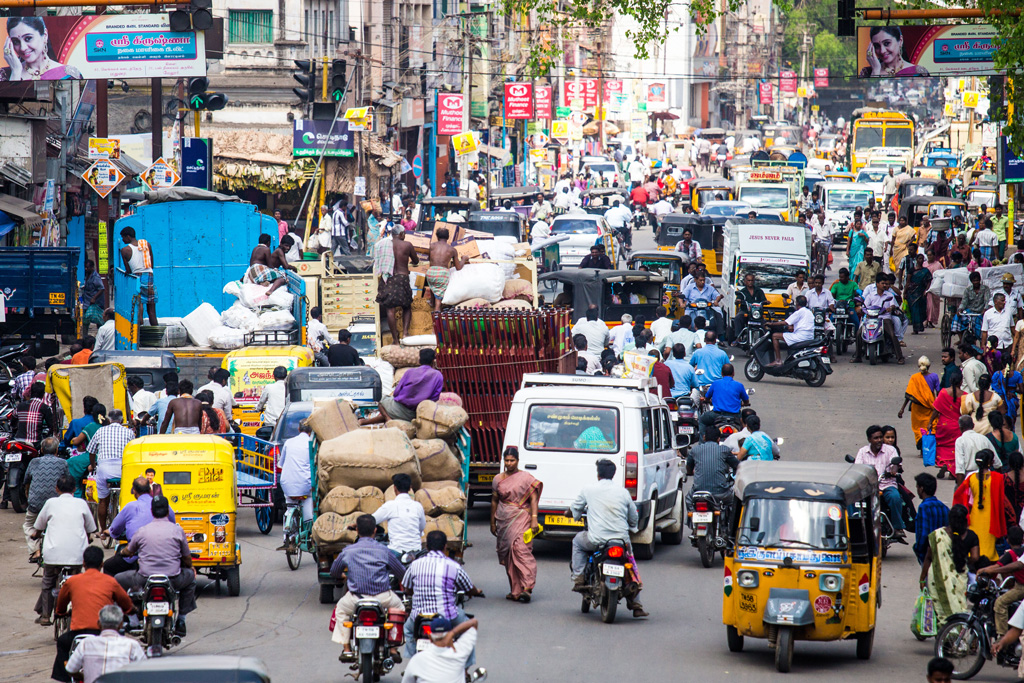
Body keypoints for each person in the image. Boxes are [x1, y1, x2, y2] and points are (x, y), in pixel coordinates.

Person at [569, 459, 647, 618]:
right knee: (630, 564)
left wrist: (571, 514)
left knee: (577, 541)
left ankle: (578, 577)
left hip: (596, 540)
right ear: (613, 474)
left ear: (598, 474)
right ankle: (636, 604)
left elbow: (575, 509)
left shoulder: (588, 489)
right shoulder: (623, 492)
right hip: (621, 541)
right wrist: (632, 526)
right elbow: (633, 518)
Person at [329, 514, 407, 661]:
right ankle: (394, 648)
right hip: (383, 597)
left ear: (357, 530)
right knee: (400, 608)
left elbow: (334, 571)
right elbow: (401, 572)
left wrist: (343, 576)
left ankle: (346, 649)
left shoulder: (348, 551)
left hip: (356, 599)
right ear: (375, 530)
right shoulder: (385, 551)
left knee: (340, 610)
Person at [115, 495, 196, 635]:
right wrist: (190, 567)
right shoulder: (177, 530)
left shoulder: (142, 531)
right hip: (173, 578)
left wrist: (123, 552)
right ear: (167, 512)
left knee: (117, 580)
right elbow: (187, 557)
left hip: (144, 578)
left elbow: (130, 550)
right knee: (191, 578)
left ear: (152, 511)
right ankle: (181, 620)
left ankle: (133, 620)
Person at [52, 546, 135, 682]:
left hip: (78, 634)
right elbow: (125, 603)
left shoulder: (72, 581)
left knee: (62, 643)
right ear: (102, 564)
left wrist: (60, 613)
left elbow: (61, 604)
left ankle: (64, 679)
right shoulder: (110, 581)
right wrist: (130, 610)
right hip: (103, 633)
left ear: (84, 564)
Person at [402, 530, 485, 662]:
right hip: (447, 616)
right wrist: (477, 592)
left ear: (427, 547)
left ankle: (413, 662)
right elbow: (469, 588)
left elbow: (407, 588)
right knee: (468, 631)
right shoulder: (453, 566)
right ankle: (465, 669)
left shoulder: (414, 565)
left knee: (407, 630)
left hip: (418, 617)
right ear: (445, 546)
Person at [31, 473, 96, 624]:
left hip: (53, 554)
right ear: (75, 488)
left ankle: (46, 616)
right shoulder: (81, 503)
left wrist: (36, 534)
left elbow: (39, 526)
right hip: (76, 555)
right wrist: (88, 536)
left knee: (48, 581)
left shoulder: (50, 503)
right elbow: (90, 528)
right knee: (76, 582)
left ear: (56, 489)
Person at [490, 446, 542, 603]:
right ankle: (516, 590)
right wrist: (492, 522)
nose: (509, 463)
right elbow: (494, 501)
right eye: (506, 460)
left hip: (522, 517)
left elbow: (533, 498)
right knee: (509, 555)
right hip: (504, 519)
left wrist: (534, 518)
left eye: (512, 460)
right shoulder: (498, 479)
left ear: (518, 461)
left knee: (521, 550)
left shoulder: (526, 477)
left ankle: (527, 587)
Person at [102, 476, 175, 577]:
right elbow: (173, 523)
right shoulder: (163, 506)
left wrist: (110, 532)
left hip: (136, 556)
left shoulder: (131, 507)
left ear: (134, 491)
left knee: (108, 566)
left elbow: (115, 529)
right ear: (150, 490)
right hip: (164, 556)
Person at [919, 505, 973, 631]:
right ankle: (957, 632)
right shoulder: (970, 536)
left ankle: (945, 634)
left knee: (941, 608)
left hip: (938, 579)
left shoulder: (938, 535)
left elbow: (928, 557)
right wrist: (964, 561)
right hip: (960, 579)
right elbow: (975, 557)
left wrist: (922, 579)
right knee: (958, 605)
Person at [64, 604, 145, 683]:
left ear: (99, 624)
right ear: (120, 624)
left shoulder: (85, 644)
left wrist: (83, 676)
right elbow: (145, 670)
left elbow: (70, 669)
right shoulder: (132, 645)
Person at [361, 348, 443, 425]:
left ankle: (388, 419)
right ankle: (365, 421)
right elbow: (435, 397)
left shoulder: (410, 372)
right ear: (433, 361)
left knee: (382, 400)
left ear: (419, 360)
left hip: (400, 409)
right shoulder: (438, 375)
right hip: (421, 413)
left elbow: (396, 392)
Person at [953, 449, 1007, 563]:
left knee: (975, 543)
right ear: (991, 463)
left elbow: (959, 495)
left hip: (975, 517)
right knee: (989, 550)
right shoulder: (998, 478)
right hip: (991, 518)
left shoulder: (971, 478)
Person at [856, 425, 906, 542]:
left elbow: (896, 463)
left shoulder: (890, 450)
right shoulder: (862, 452)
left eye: (880, 437)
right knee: (854, 501)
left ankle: (898, 527)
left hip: (887, 484)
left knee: (895, 497)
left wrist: (894, 470)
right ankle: (856, 526)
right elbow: (857, 468)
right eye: (875, 438)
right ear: (869, 440)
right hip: (868, 487)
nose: (879, 440)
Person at [977, 525, 1024, 640]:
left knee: (1000, 603)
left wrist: (983, 570)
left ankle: (1002, 637)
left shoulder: (1010, 554)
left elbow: (997, 567)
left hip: (1020, 588)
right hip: (1016, 585)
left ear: (1007, 540)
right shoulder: (1022, 551)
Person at [1, 17, 83, 80]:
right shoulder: (4, 75)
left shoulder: (69, 74)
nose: (23, 48)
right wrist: (16, 72)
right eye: (16, 41)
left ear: (45, 35)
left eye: (28, 38)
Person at [375, 224, 419, 339]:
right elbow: (416, 260)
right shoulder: (407, 245)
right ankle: (405, 333)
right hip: (402, 278)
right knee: (407, 306)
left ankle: (395, 339)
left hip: (388, 278)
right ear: (401, 234)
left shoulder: (384, 245)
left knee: (390, 309)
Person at [852, 274, 904, 364]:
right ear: (877, 284)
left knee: (892, 334)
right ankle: (858, 356)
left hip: (884, 318)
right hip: (871, 318)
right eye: (882, 283)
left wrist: (890, 308)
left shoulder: (889, 295)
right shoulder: (871, 295)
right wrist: (862, 309)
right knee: (859, 333)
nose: (884, 285)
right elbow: (865, 306)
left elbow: (893, 305)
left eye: (885, 283)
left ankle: (899, 357)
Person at [373, 471, 427, 557]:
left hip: (396, 552)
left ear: (394, 488)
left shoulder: (390, 506)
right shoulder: (418, 506)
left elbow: (372, 520)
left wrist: (355, 524)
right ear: (410, 488)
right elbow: (422, 527)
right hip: (416, 552)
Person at [686, 425, 739, 512]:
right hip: (721, 493)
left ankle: (691, 519)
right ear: (718, 439)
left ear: (704, 437)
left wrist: (689, 472)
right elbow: (736, 465)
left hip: (698, 492)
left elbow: (689, 467)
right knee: (734, 500)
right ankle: (731, 523)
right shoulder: (724, 450)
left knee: (688, 499)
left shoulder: (695, 450)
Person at [118, 226, 157, 327]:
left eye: (123, 237)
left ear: (128, 236)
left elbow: (129, 270)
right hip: (149, 277)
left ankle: (138, 338)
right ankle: (157, 337)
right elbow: (151, 265)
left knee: (138, 308)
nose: (122, 240)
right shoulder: (146, 244)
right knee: (152, 310)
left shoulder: (125, 250)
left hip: (137, 278)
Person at [697, 363, 749, 440]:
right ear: (733, 373)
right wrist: (743, 403)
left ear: (721, 373)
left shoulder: (715, 383)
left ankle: (702, 443)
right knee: (744, 426)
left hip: (717, 415)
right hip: (735, 416)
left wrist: (708, 400)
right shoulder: (739, 385)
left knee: (702, 420)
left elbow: (707, 397)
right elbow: (746, 401)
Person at [898, 356, 939, 450]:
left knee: (918, 429)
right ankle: (928, 448)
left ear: (918, 366)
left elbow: (909, 395)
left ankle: (921, 450)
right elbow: (938, 392)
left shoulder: (914, 377)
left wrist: (902, 409)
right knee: (930, 426)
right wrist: (939, 407)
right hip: (930, 407)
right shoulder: (934, 376)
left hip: (917, 409)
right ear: (929, 366)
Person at [426, 227, 468, 312]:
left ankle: (431, 302)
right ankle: (437, 308)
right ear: (448, 237)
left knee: (433, 285)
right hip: (442, 274)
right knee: (439, 291)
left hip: (430, 272)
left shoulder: (431, 246)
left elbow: (429, 258)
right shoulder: (452, 250)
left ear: (437, 236)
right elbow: (458, 267)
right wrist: (464, 259)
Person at [914, 472, 949, 565]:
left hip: (927, 554)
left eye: (917, 487)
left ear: (921, 489)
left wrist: (917, 549)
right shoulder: (944, 507)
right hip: (943, 553)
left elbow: (923, 534)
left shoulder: (923, 508)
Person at [769, 294, 814, 367]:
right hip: (810, 336)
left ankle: (778, 360)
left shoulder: (799, 312)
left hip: (801, 336)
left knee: (775, 336)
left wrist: (771, 324)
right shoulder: (809, 312)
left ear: (797, 303)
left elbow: (785, 322)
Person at [961, 372, 1004, 437]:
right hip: (990, 429)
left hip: (974, 428)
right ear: (989, 385)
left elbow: (964, 412)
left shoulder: (970, 396)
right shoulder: (996, 397)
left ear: (978, 383)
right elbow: (1002, 412)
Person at [16, 380, 57, 446]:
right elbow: (51, 425)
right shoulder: (44, 407)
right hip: (35, 442)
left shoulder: (20, 406)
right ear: (43, 394)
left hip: (19, 440)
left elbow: (13, 420)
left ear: (31, 392)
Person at [731, 272, 767, 344]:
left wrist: (766, 302)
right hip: (746, 311)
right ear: (745, 281)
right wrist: (738, 301)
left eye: (751, 280)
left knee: (765, 323)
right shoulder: (742, 292)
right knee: (738, 318)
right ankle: (738, 337)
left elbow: (764, 300)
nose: (750, 282)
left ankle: (765, 339)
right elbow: (737, 300)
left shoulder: (759, 291)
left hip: (756, 313)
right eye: (748, 280)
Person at [905, 253, 932, 334]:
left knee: (921, 310)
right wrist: (905, 292)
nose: (920, 260)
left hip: (921, 292)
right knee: (914, 311)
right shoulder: (912, 270)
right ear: (916, 260)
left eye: (922, 259)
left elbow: (929, 281)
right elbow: (908, 281)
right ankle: (915, 328)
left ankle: (920, 326)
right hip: (912, 293)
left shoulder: (925, 271)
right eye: (919, 259)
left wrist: (926, 290)